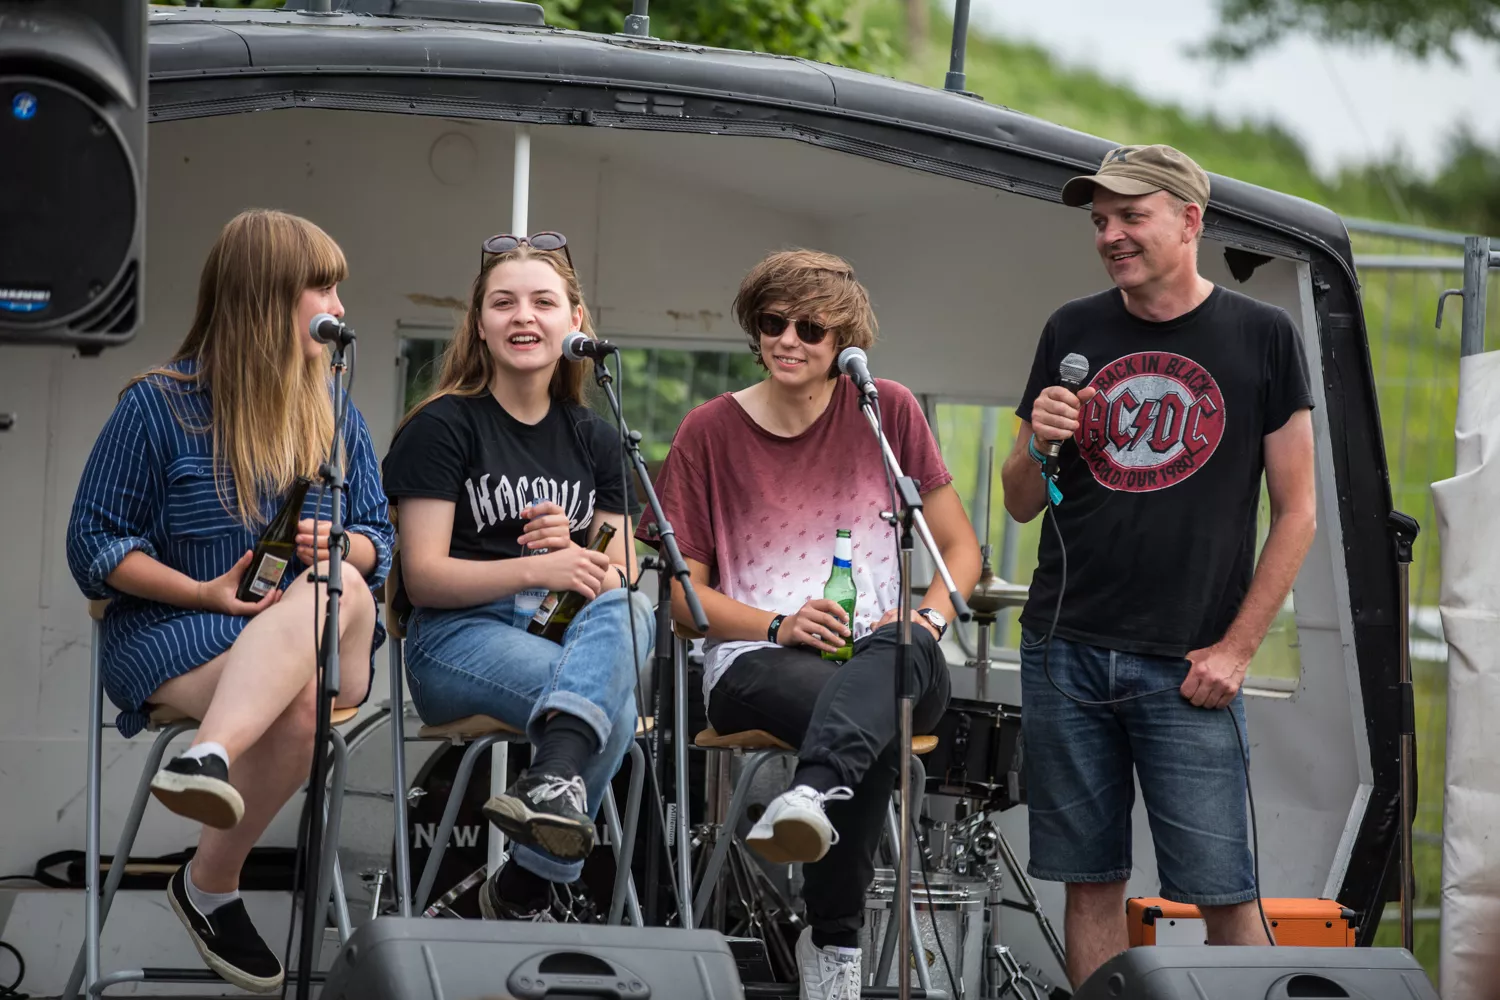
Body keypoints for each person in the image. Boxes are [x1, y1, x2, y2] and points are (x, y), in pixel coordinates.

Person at [1000, 144, 1318, 985]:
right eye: (1100, 220)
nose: (1110, 235)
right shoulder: (1071, 329)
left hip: (1189, 666)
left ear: (1189, 220)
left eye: (1131, 216)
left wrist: (1237, 651)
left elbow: (1299, 512)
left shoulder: (1262, 336)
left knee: (1225, 896)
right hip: (1064, 651)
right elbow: (1020, 500)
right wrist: (1038, 440)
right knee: (1089, 885)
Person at [66, 209, 393, 993]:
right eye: (323, 288)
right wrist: (201, 590)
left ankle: (208, 754)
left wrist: (341, 544)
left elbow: (380, 541)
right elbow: (94, 546)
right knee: (300, 701)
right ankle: (211, 884)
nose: (339, 307)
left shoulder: (334, 409)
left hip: (325, 633)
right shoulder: (156, 406)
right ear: (265, 296)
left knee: (342, 583)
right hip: (180, 632)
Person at [640, 249, 981, 1000]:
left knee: (890, 668)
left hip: (891, 654)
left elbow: (961, 551)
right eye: (772, 323)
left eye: (811, 329)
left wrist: (924, 616)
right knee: (871, 724)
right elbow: (682, 601)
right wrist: (778, 624)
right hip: (755, 660)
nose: (787, 340)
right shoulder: (707, 431)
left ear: (843, 341)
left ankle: (813, 796)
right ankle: (835, 946)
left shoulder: (887, 409)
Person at [382, 231, 652, 922]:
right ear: (479, 323)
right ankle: (526, 887)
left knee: (634, 609)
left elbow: (619, 573)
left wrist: (576, 548)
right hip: (455, 640)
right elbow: (423, 578)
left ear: (575, 322)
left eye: (543, 302)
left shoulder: (598, 439)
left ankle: (548, 793)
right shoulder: (443, 426)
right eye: (503, 303)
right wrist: (538, 564)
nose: (523, 316)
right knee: (614, 713)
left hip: (561, 636)